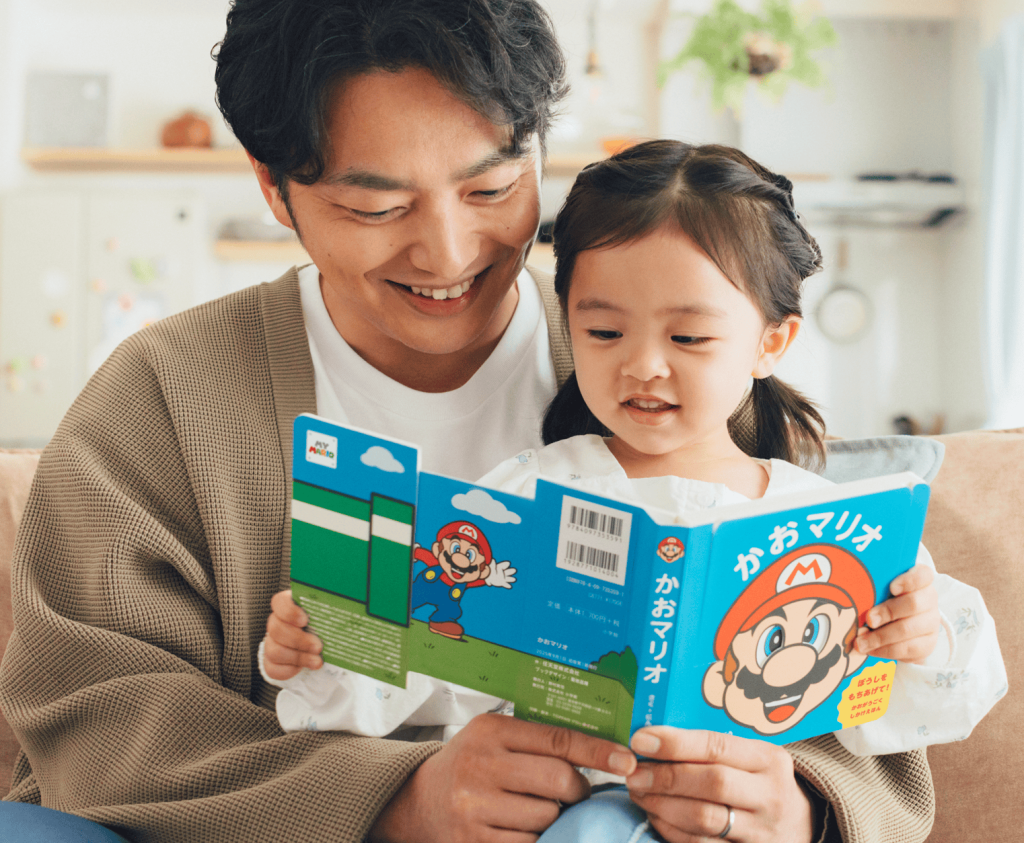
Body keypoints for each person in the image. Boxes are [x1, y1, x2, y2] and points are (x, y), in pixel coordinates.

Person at [0, 1, 935, 840]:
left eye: (491, 190)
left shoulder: (669, 376)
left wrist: (793, 806)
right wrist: (396, 801)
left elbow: (865, 714)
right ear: (271, 185)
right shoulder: (165, 396)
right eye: (377, 204)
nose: (449, 253)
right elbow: (93, 721)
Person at [261, 143, 1003, 840]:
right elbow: (428, 668)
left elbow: (920, 706)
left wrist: (920, 635)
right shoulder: (531, 491)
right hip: (561, 814)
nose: (644, 367)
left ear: (769, 343)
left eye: (688, 339)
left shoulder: (826, 524)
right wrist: (328, 646)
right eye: (606, 333)